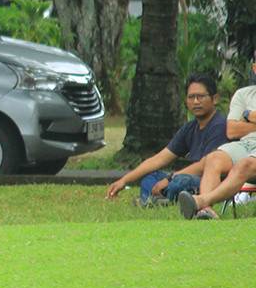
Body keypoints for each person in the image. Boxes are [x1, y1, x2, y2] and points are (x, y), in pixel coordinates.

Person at [105, 74, 226, 205]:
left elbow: (205, 165)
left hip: (211, 182)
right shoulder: (190, 128)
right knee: (149, 179)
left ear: (214, 99)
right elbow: (161, 158)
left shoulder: (220, 126)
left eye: (200, 97)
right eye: (191, 97)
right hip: (186, 178)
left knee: (179, 183)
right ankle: (164, 201)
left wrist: (169, 179)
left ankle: (160, 201)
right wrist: (124, 180)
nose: (195, 102)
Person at [178, 84, 256, 220]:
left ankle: (201, 201)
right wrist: (249, 115)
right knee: (214, 158)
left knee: (245, 165)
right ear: (255, 68)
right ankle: (206, 212)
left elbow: (237, 127)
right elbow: (231, 131)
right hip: (244, 144)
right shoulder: (242, 94)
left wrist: (246, 116)